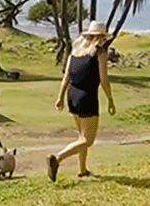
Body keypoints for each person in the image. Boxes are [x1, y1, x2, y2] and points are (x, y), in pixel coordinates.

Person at [47, 21, 116, 182]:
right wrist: (110, 100)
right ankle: (57, 158)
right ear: (101, 37)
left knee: (81, 137)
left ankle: (83, 170)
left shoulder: (76, 51)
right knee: (88, 140)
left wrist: (60, 97)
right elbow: (103, 80)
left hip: (72, 94)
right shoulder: (100, 52)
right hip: (87, 96)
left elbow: (66, 77)